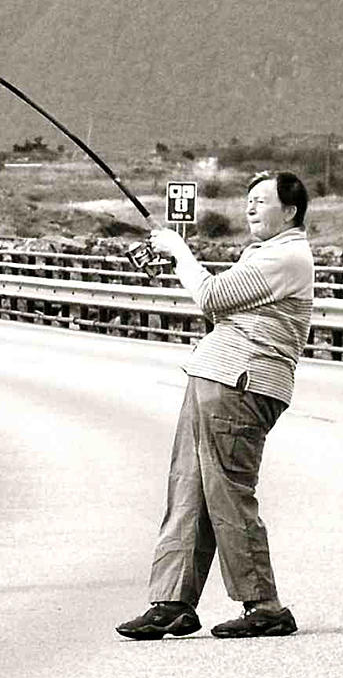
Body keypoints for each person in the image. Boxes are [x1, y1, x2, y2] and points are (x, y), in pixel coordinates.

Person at [117, 170, 314, 641]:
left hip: (242, 383)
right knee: (188, 489)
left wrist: (178, 251)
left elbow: (210, 297)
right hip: (216, 377)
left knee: (228, 494)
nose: (251, 207)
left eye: (262, 200)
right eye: (249, 199)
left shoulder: (287, 257)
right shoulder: (263, 254)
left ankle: (265, 605)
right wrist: (180, 256)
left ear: (290, 211)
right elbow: (223, 303)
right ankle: (172, 603)